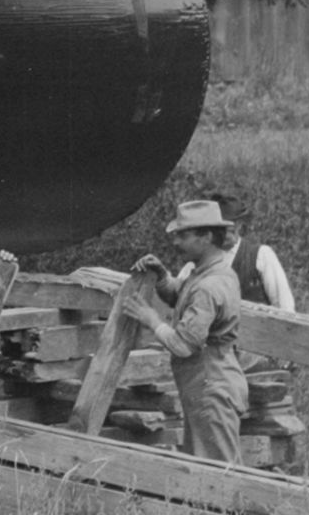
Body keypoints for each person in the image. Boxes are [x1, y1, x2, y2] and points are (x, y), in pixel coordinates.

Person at [91, 197, 259, 461]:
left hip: (211, 385)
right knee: (206, 463)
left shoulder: (209, 285)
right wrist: (163, 277)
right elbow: (184, 297)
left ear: (205, 237)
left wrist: (151, 319)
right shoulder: (209, 273)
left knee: (219, 471)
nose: (176, 241)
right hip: (208, 383)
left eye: (183, 235)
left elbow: (184, 345)